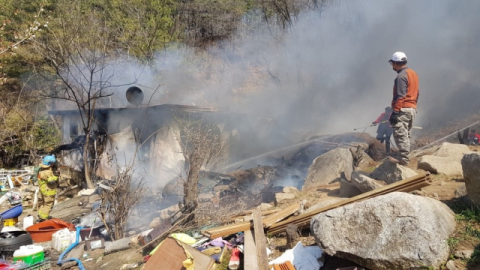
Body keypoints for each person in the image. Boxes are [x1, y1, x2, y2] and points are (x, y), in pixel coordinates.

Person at [388, 52, 419, 165]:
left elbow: (400, 95)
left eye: (392, 63)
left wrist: (396, 112)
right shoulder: (413, 73)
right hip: (412, 108)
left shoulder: (401, 77)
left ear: (395, 63)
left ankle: (404, 160)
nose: (392, 66)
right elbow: (417, 92)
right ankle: (406, 157)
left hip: (403, 109)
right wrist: (414, 105)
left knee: (400, 134)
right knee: (406, 134)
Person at [37, 155, 59, 221]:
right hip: (48, 191)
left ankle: (40, 215)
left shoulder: (41, 170)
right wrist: (56, 175)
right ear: (51, 164)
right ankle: (44, 218)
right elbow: (51, 181)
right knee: (48, 205)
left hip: (43, 190)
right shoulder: (48, 172)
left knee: (44, 203)